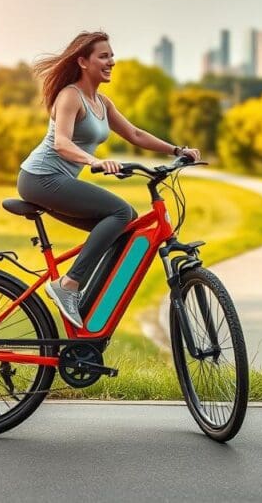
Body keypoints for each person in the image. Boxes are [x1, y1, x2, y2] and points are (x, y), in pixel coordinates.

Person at [18, 31, 200, 328]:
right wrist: (95, 161)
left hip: (53, 180)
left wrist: (177, 150)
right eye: (103, 56)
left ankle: (90, 308)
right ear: (83, 62)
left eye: (111, 55)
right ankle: (69, 285)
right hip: (40, 178)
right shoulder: (70, 96)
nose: (111, 62)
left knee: (125, 224)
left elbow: (135, 134)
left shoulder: (101, 102)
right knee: (119, 213)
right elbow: (61, 143)